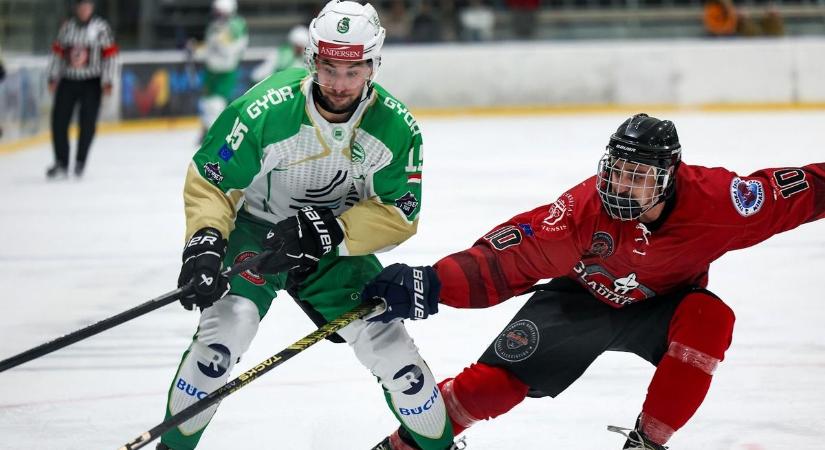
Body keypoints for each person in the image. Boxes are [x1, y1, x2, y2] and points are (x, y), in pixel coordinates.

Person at [365, 113, 825, 449]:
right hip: (580, 300)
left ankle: (647, 443)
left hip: (661, 308)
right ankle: (405, 445)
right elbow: (513, 257)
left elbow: (799, 193)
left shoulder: (720, 204)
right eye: (618, 171)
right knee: (493, 386)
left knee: (710, 319)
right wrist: (433, 281)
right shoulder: (583, 212)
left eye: (639, 177)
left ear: (668, 177)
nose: (621, 186)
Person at [156, 2, 457, 450]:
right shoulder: (262, 110)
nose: (338, 84)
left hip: (331, 247)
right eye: (328, 68)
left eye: (353, 71)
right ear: (311, 59)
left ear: (373, 65)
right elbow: (213, 181)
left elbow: (401, 212)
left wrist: (332, 230)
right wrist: (204, 242)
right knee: (225, 334)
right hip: (257, 234)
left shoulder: (396, 129)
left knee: (392, 349)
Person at [45, 0, 118, 179]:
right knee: (59, 121)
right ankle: (61, 162)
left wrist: (108, 80)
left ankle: (80, 161)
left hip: (91, 82)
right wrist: (53, 76)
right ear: (77, 8)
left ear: (92, 8)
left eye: (88, 7)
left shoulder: (101, 28)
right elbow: (57, 53)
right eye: (82, 7)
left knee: (87, 123)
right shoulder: (67, 28)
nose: (85, 10)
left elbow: (110, 55)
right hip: (68, 80)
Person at [194, 0, 248, 140]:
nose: (216, 14)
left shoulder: (237, 25)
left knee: (217, 102)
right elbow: (209, 48)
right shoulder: (214, 26)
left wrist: (223, 44)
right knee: (207, 101)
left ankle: (216, 134)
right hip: (211, 68)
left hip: (225, 69)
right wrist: (196, 50)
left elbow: (235, 48)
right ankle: (207, 129)